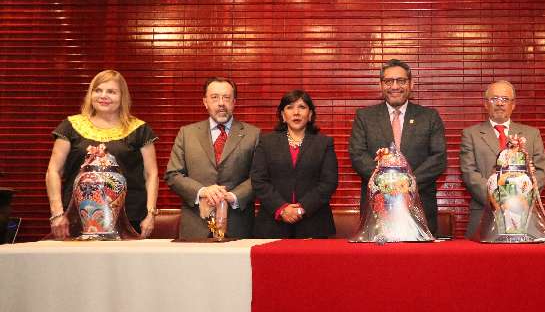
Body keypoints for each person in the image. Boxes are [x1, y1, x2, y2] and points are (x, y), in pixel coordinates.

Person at [46, 69, 159, 238]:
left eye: (111, 92)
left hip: (131, 219)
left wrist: (151, 214)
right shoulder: (70, 126)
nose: (103, 96)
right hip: (75, 219)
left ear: (122, 97)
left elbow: (152, 174)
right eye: (98, 90)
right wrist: (57, 213)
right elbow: (53, 171)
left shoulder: (139, 129)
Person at [348, 59, 447, 234]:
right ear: (381, 85)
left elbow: (438, 158)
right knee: (377, 260)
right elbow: (357, 155)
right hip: (377, 207)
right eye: (389, 81)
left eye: (401, 81)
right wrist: (387, 184)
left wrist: (406, 184)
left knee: (420, 260)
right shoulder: (364, 117)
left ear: (411, 84)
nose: (395, 86)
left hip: (421, 204)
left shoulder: (429, 117)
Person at [165, 77, 260, 239]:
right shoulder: (187, 133)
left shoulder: (253, 134)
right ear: (205, 102)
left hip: (238, 225)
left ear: (234, 102)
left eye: (226, 97)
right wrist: (203, 191)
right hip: (196, 225)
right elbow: (173, 175)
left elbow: (259, 177)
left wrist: (232, 196)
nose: (221, 103)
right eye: (214, 97)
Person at [459, 80, 545, 237]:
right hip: (484, 213)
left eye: (505, 99)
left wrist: (518, 200)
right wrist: (499, 200)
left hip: (524, 215)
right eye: (494, 99)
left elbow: (539, 173)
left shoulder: (532, 134)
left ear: (513, 104)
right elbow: (469, 174)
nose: (499, 103)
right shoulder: (470, 134)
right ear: (486, 104)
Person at [251, 90, 338, 238]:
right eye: (290, 107)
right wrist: (282, 208)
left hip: (313, 223)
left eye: (302, 107)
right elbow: (259, 180)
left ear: (310, 115)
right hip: (272, 224)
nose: (296, 112)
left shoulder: (324, 143)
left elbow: (328, 183)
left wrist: (301, 208)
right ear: (283, 116)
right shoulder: (266, 142)